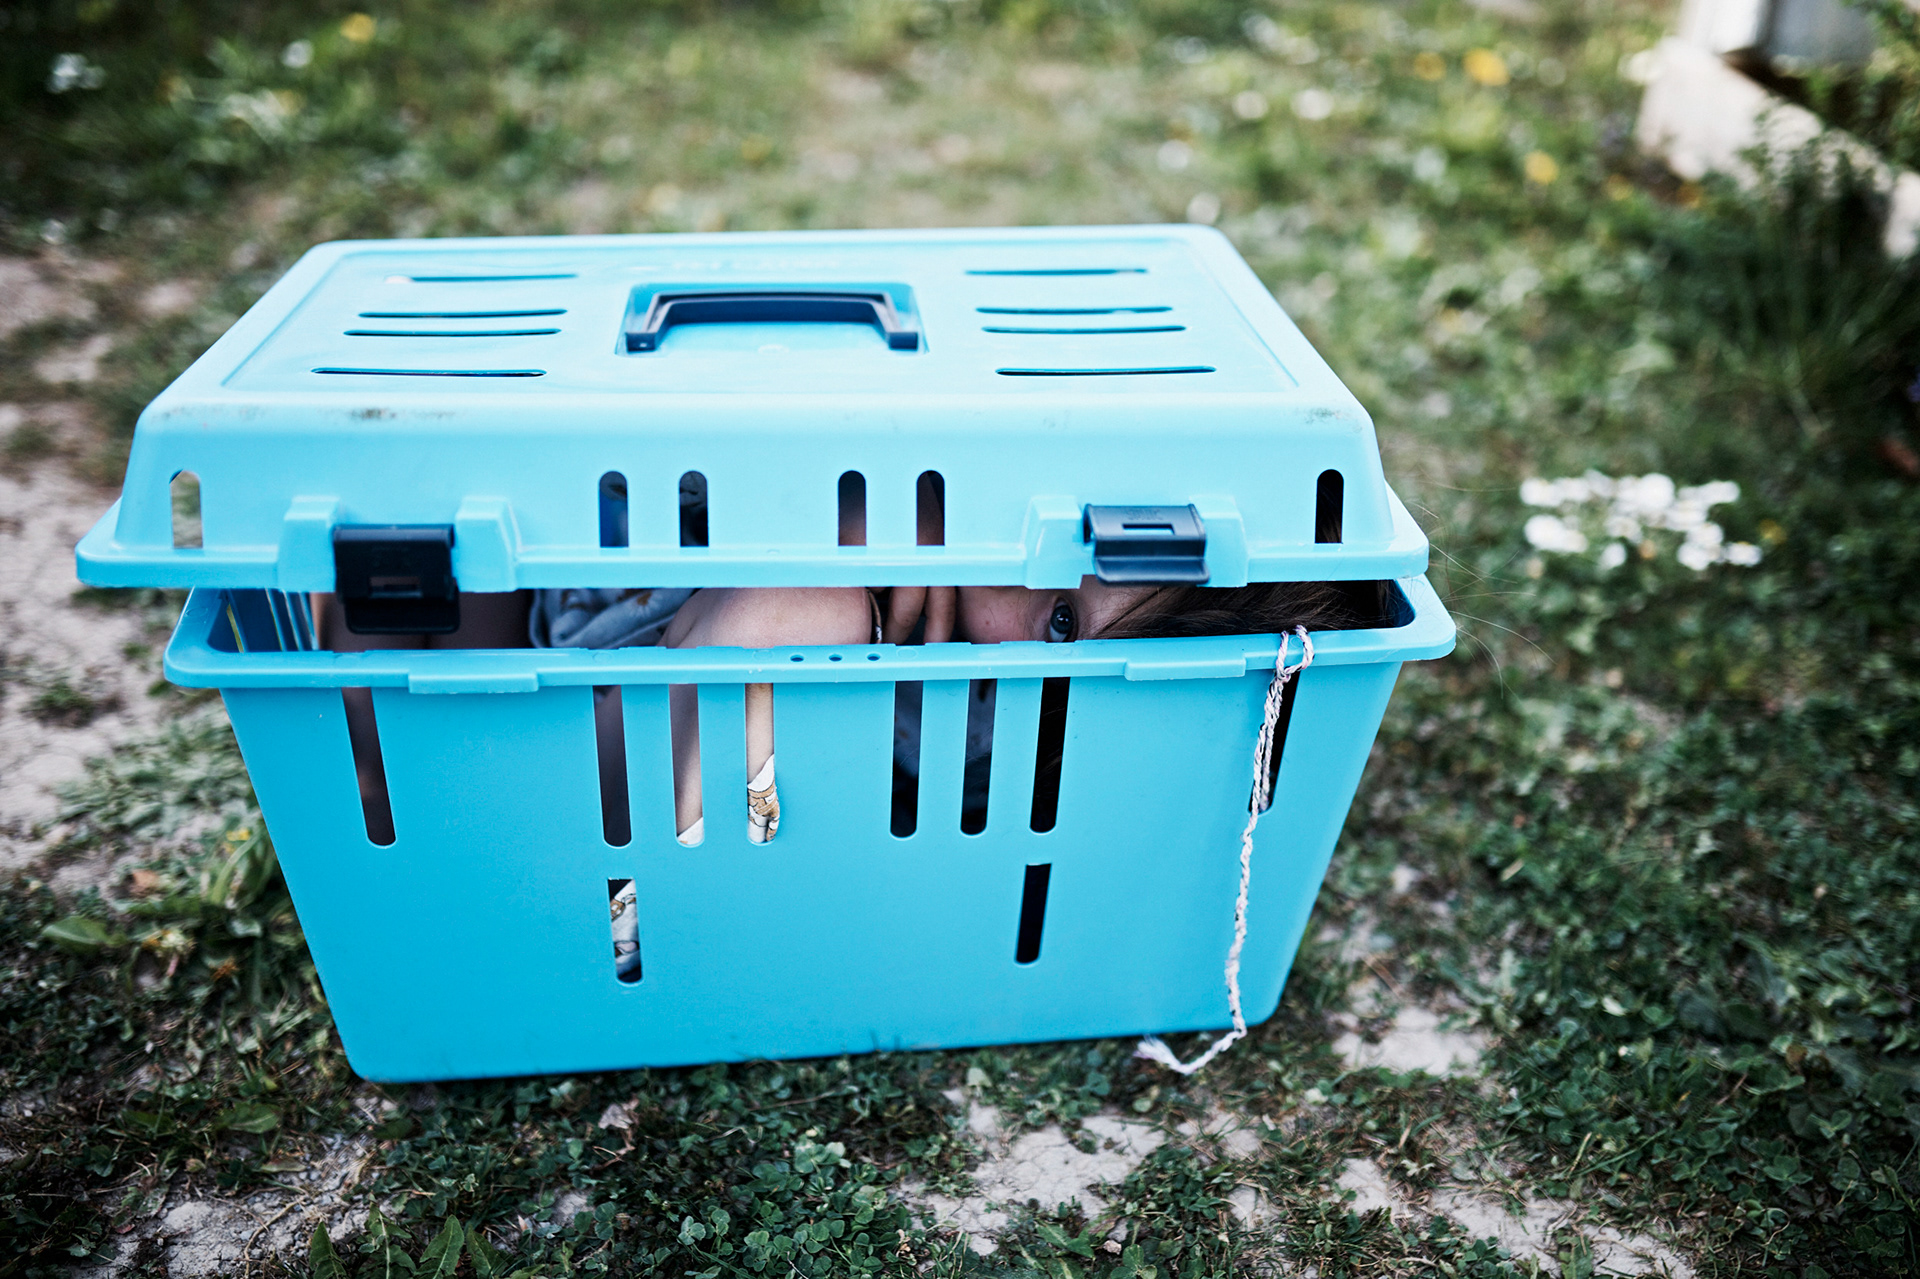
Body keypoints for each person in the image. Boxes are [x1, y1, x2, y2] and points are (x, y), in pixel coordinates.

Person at [315, 476, 1384, 847]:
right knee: (406, 536)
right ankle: (379, 764)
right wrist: (871, 522)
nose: (1036, 576)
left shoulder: (989, 730)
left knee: (807, 613)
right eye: (1085, 546)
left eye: (1062, 625)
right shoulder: (964, 473)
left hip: (589, 742)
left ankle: (429, 803)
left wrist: (845, 599)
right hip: (580, 566)